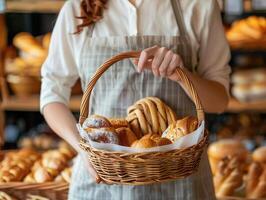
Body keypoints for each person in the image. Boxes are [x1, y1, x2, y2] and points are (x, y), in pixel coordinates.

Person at [40, 0, 231, 199]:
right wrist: (83, 148)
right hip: (101, 183)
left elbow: (219, 102)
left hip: (181, 184)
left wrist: (181, 75)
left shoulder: (199, 5)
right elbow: (52, 95)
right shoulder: (77, 8)